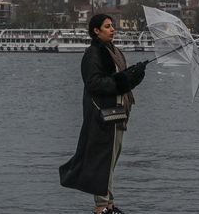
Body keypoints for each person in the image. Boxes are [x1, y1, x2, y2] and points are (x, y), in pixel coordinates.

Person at [59, 14, 147, 214]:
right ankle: (101, 207)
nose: (112, 29)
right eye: (107, 26)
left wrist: (134, 74)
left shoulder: (113, 51)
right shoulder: (93, 54)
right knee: (103, 161)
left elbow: (119, 78)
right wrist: (124, 81)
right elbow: (94, 83)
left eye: (112, 26)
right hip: (103, 115)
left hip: (117, 113)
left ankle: (109, 204)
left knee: (111, 160)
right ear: (96, 31)